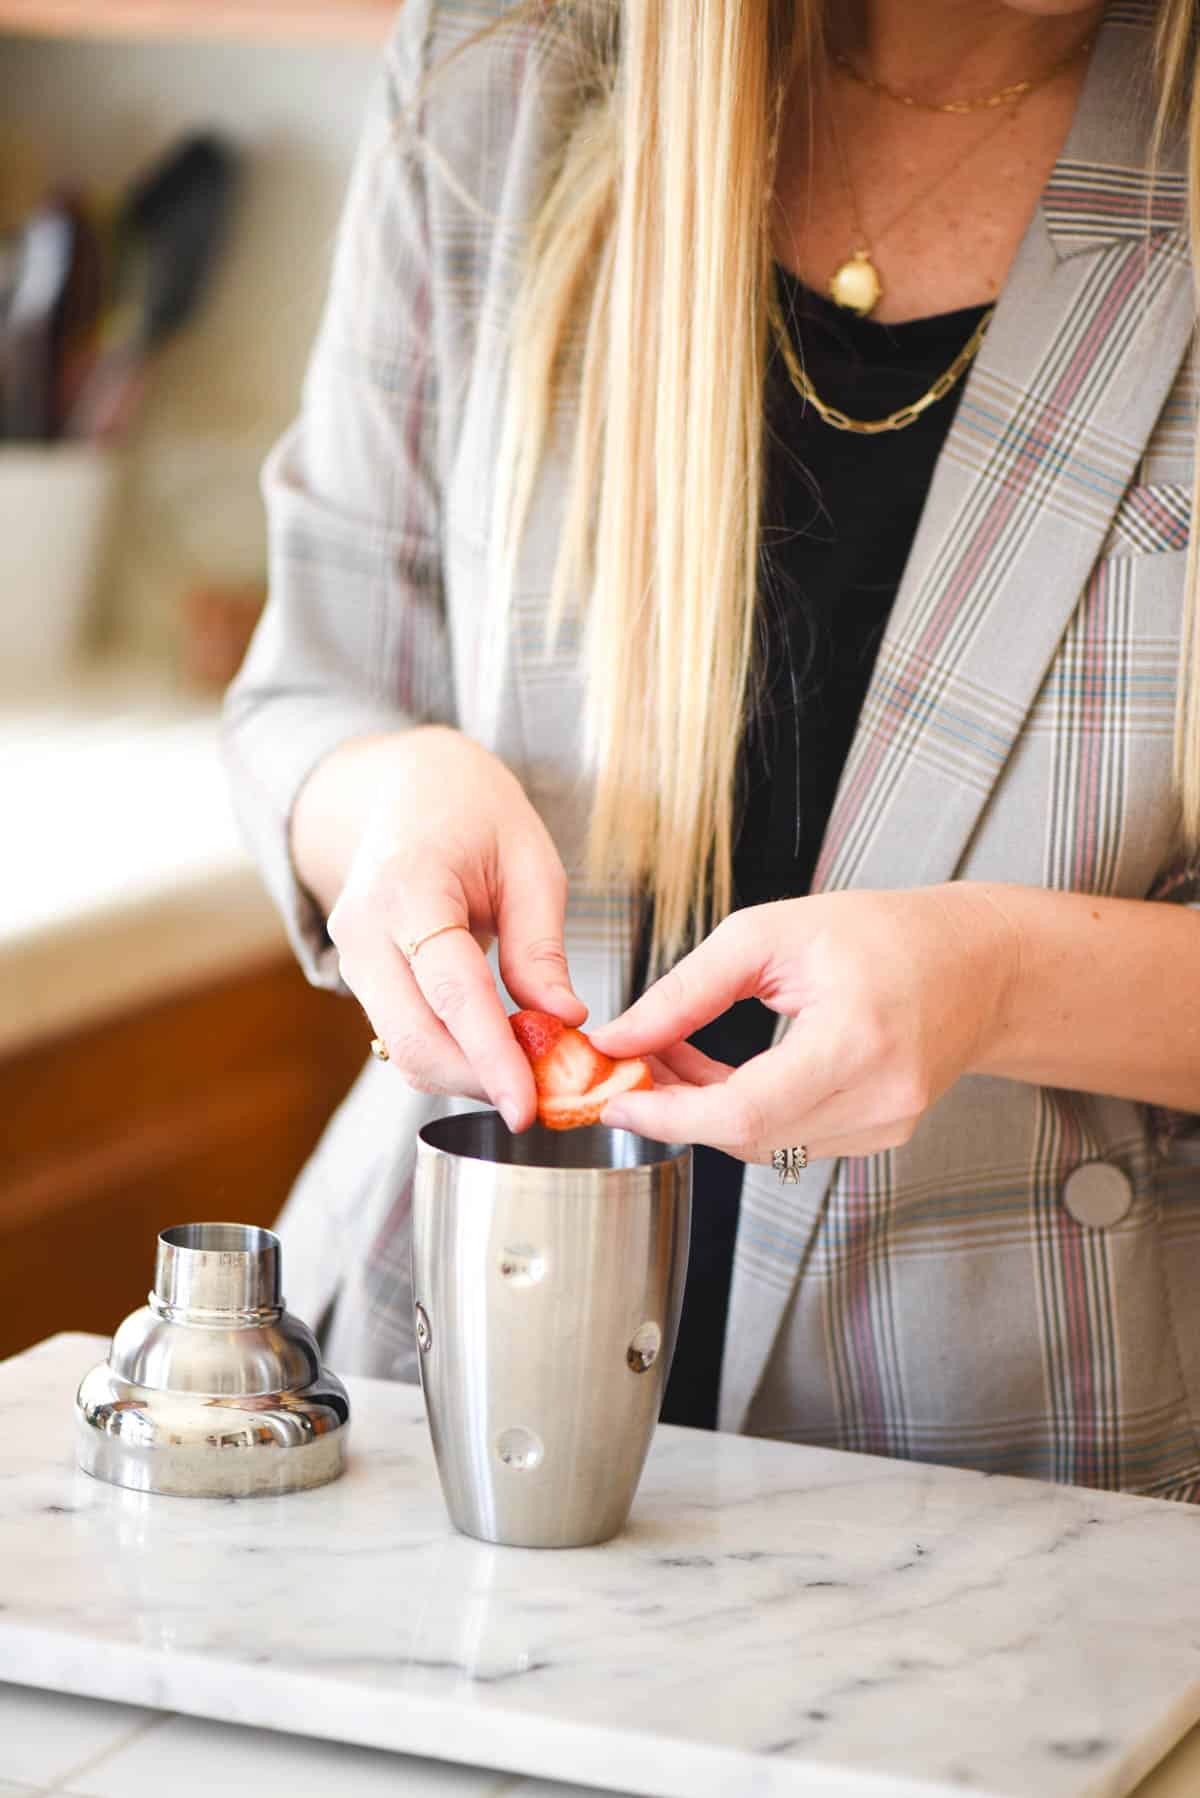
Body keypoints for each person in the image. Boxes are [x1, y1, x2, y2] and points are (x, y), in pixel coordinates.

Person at [225, 0, 1200, 1499]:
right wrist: (389, 802)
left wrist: (1000, 978)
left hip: (1022, 1478)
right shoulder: (502, 64)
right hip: (424, 1385)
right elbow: (309, 696)